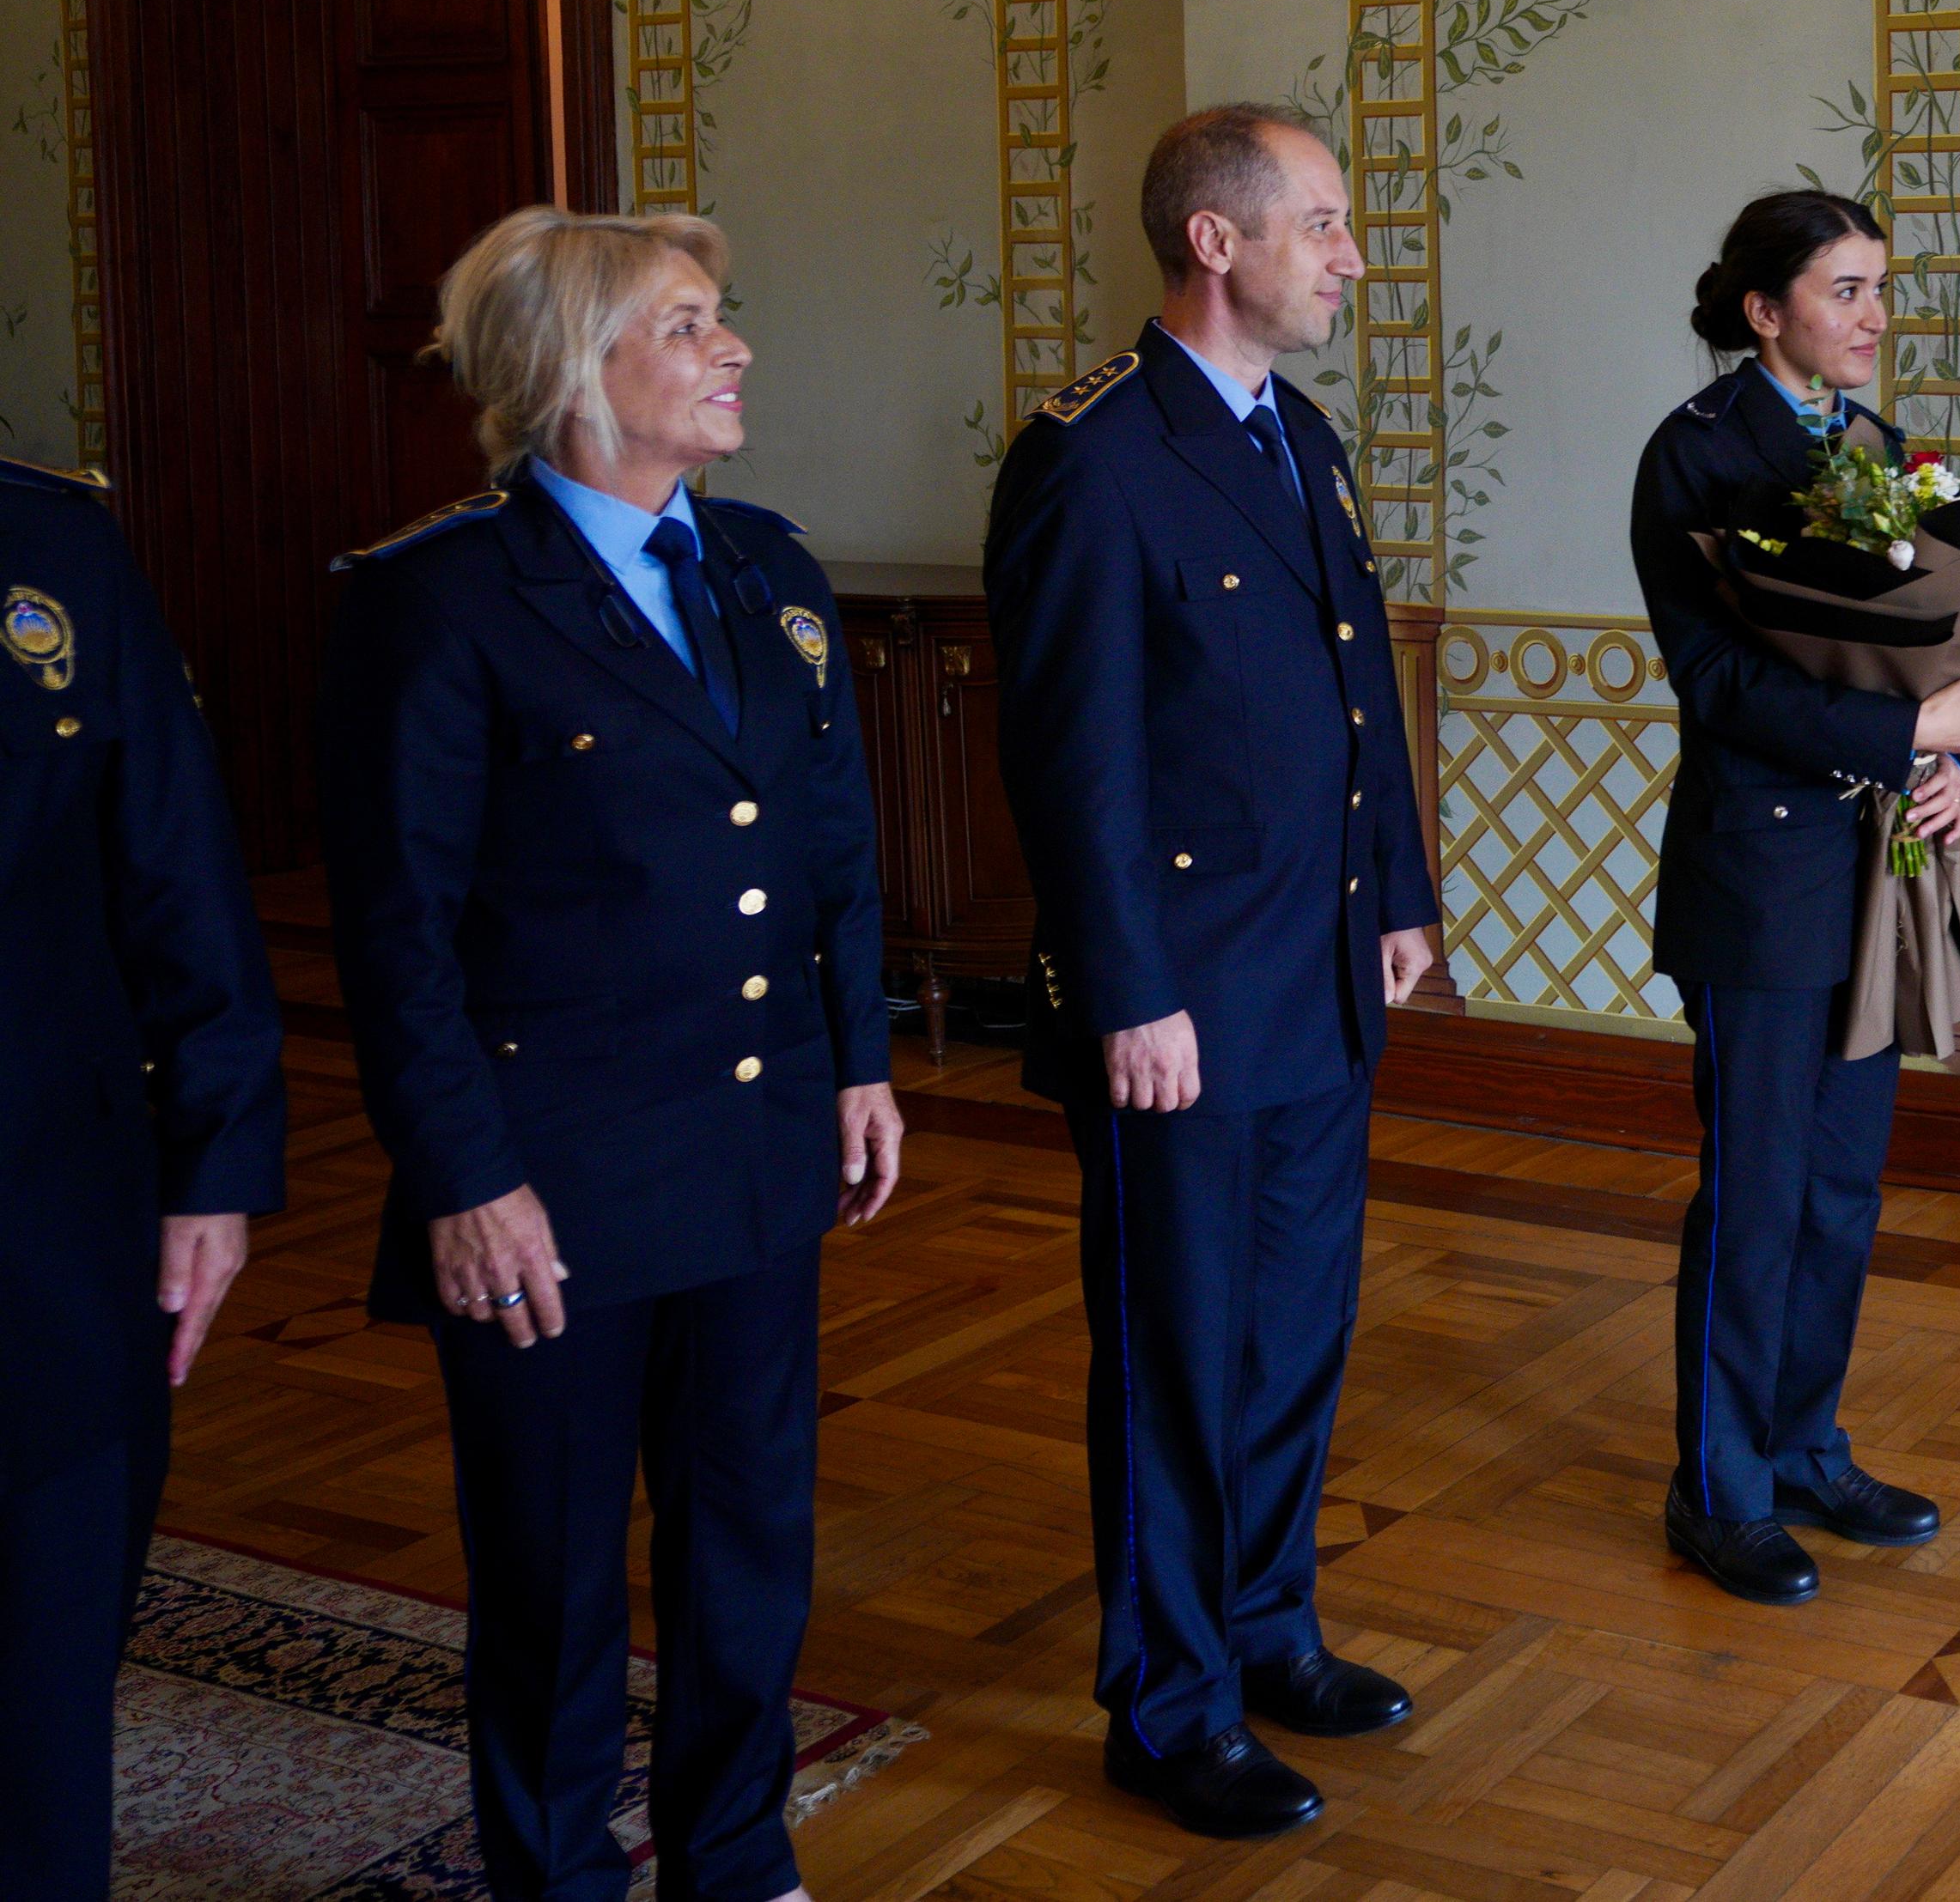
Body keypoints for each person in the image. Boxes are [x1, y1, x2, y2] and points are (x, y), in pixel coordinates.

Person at [320, 209, 899, 1902]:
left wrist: (857, 1059)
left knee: (748, 1537)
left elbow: (830, 845)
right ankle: (556, 1873)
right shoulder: (435, 601)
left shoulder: (766, 570)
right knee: (554, 1568)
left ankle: (734, 1851)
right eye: (689, 323)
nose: (732, 351)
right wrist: (464, 1178)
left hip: (751, 1144)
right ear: (574, 369)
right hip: (550, 1174)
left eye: (727, 317)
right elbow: (399, 932)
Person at [987, 106, 1441, 1839]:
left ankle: (1265, 1631)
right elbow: (1072, 762)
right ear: (1218, 244)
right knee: (1177, 1358)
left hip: (1316, 977)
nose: (1350, 254)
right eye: (1323, 223)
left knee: (1292, 1342)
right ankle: (1165, 1704)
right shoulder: (1092, 458)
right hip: (1174, 1006)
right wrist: (1123, 991)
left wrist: (1397, 890)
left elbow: (1352, 692)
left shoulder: (1294, 435)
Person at [1628, 191, 1960, 1607]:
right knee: (1759, 1187)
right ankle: (1717, 1487)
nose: (1870, 315)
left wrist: (1950, 764)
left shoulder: (1886, 455)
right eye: (1843, 288)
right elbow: (1722, 683)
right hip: (1760, 872)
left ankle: (1804, 1444)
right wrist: (1906, 737)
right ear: (1763, 309)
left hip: (1879, 868)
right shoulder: (1695, 455)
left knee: (1843, 1187)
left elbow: (1955, 649)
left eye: (1879, 289)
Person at [3, 452, 282, 1902]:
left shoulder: (53, 546)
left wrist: (218, 1165)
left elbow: (175, 860)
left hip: (49, 1219)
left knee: (44, 1692)